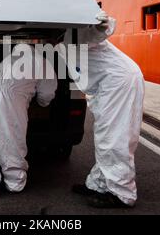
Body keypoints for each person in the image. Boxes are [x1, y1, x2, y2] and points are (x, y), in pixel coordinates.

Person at [60, 11, 145, 208]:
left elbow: (99, 30)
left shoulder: (74, 32)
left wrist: (100, 24)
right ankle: (98, 184)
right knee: (104, 137)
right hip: (107, 85)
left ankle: (122, 193)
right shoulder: (60, 39)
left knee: (114, 139)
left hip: (118, 82)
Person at [0, 44, 57, 196]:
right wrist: (42, 103)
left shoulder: (8, 59)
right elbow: (47, 94)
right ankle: (15, 182)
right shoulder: (42, 62)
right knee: (11, 138)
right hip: (10, 97)